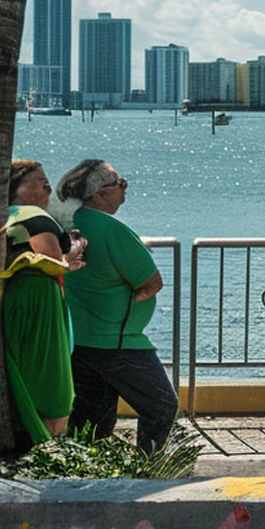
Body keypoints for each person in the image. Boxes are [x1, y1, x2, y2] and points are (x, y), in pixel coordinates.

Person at [57, 159, 178, 453]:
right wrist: (130, 301)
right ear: (99, 193)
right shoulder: (112, 230)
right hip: (119, 340)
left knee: (92, 419)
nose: (125, 189)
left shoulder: (66, 224)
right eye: (119, 183)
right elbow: (151, 283)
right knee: (161, 405)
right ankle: (151, 467)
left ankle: (86, 473)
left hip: (78, 338)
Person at [2, 160, 84, 444]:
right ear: (17, 189)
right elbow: (50, 259)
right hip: (39, 301)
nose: (49, 186)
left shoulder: (6, 216)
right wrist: (73, 251)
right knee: (53, 387)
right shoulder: (33, 215)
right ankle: (50, 445)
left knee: (27, 377)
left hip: (18, 297)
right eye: (41, 181)